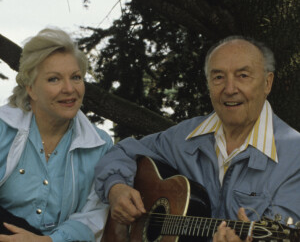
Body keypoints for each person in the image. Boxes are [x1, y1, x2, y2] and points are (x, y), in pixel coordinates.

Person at [94, 36, 300, 242]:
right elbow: (122, 151)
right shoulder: (185, 136)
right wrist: (116, 187)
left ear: (267, 83)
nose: (229, 89)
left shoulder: (295, 157)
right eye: (218, 77)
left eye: (243, 75)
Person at [0, 28, 113, 242]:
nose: (69, 89)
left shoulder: (101, 145)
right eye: (54, 79)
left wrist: (49, 241)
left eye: (76, 77)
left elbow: (93, 215)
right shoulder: (2, 128)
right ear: (31, 88)